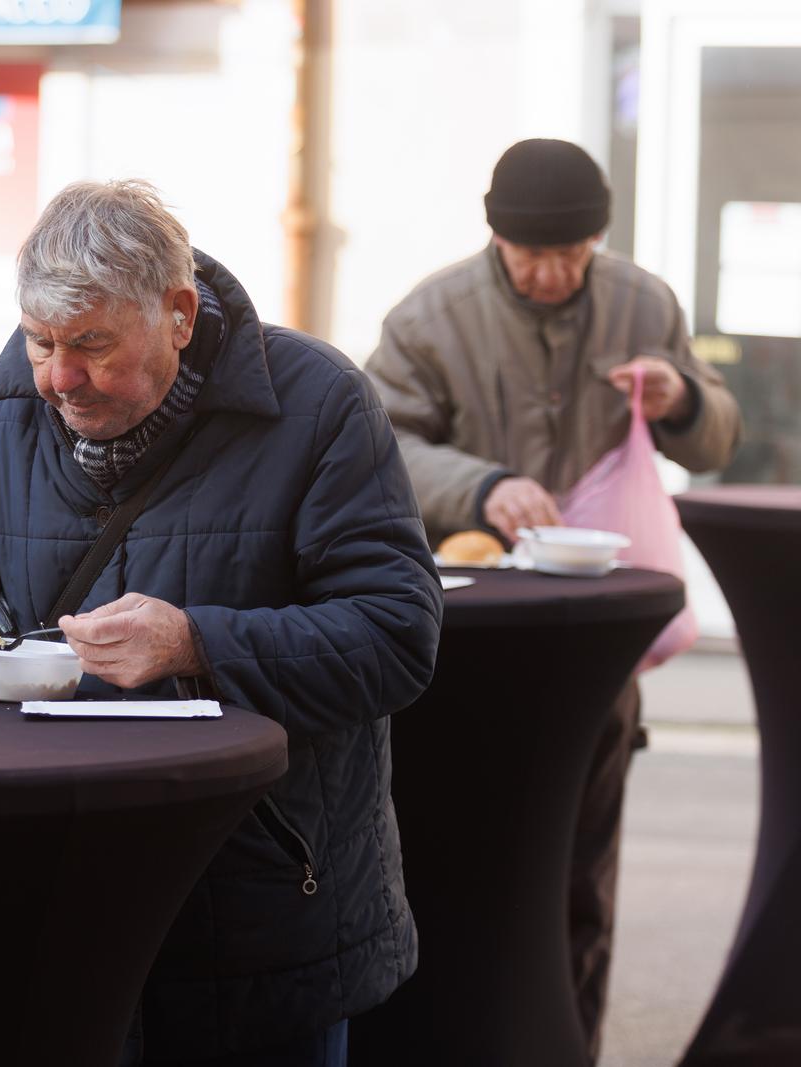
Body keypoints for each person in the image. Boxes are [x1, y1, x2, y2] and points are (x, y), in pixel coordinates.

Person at [0, 180, 443, 1065]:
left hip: (261, 898)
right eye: (39, 340)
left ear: (178, 313)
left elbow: (397, 636)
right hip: (61, 895)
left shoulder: (319, 402)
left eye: (91, 344)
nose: (58, 378)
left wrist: (196, 641)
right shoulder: (11, 402)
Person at [363, 138, 741, 1060]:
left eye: (571, 255)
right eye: (530, 255)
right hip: (464, 634)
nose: (550, 273)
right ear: (494, 240)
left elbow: (717, 440)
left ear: (599, 239)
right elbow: (376, 443)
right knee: (454, 857)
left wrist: (682, 395)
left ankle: (574, 1042)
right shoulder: (430, 315)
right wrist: (481, 485)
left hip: (594, 639)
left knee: (582, 867)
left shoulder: (643, 303)